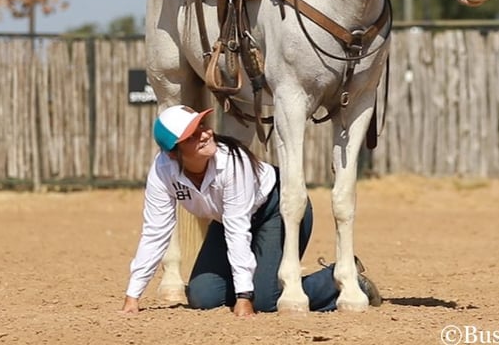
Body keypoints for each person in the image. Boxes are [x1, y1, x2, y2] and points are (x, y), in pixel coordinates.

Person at [120, 104, 381, 316]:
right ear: (174, 153)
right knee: (202, 296)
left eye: (202, 125)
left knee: (265, 300)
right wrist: (133, 295)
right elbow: (156, 231)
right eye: (192, 134)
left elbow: (238, 229)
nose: (206, 133)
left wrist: (245, 297)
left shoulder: (231, 162)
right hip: (227, 222)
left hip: (276, 210)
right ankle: (258, 280)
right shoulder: (162, 171)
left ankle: (340, 279)